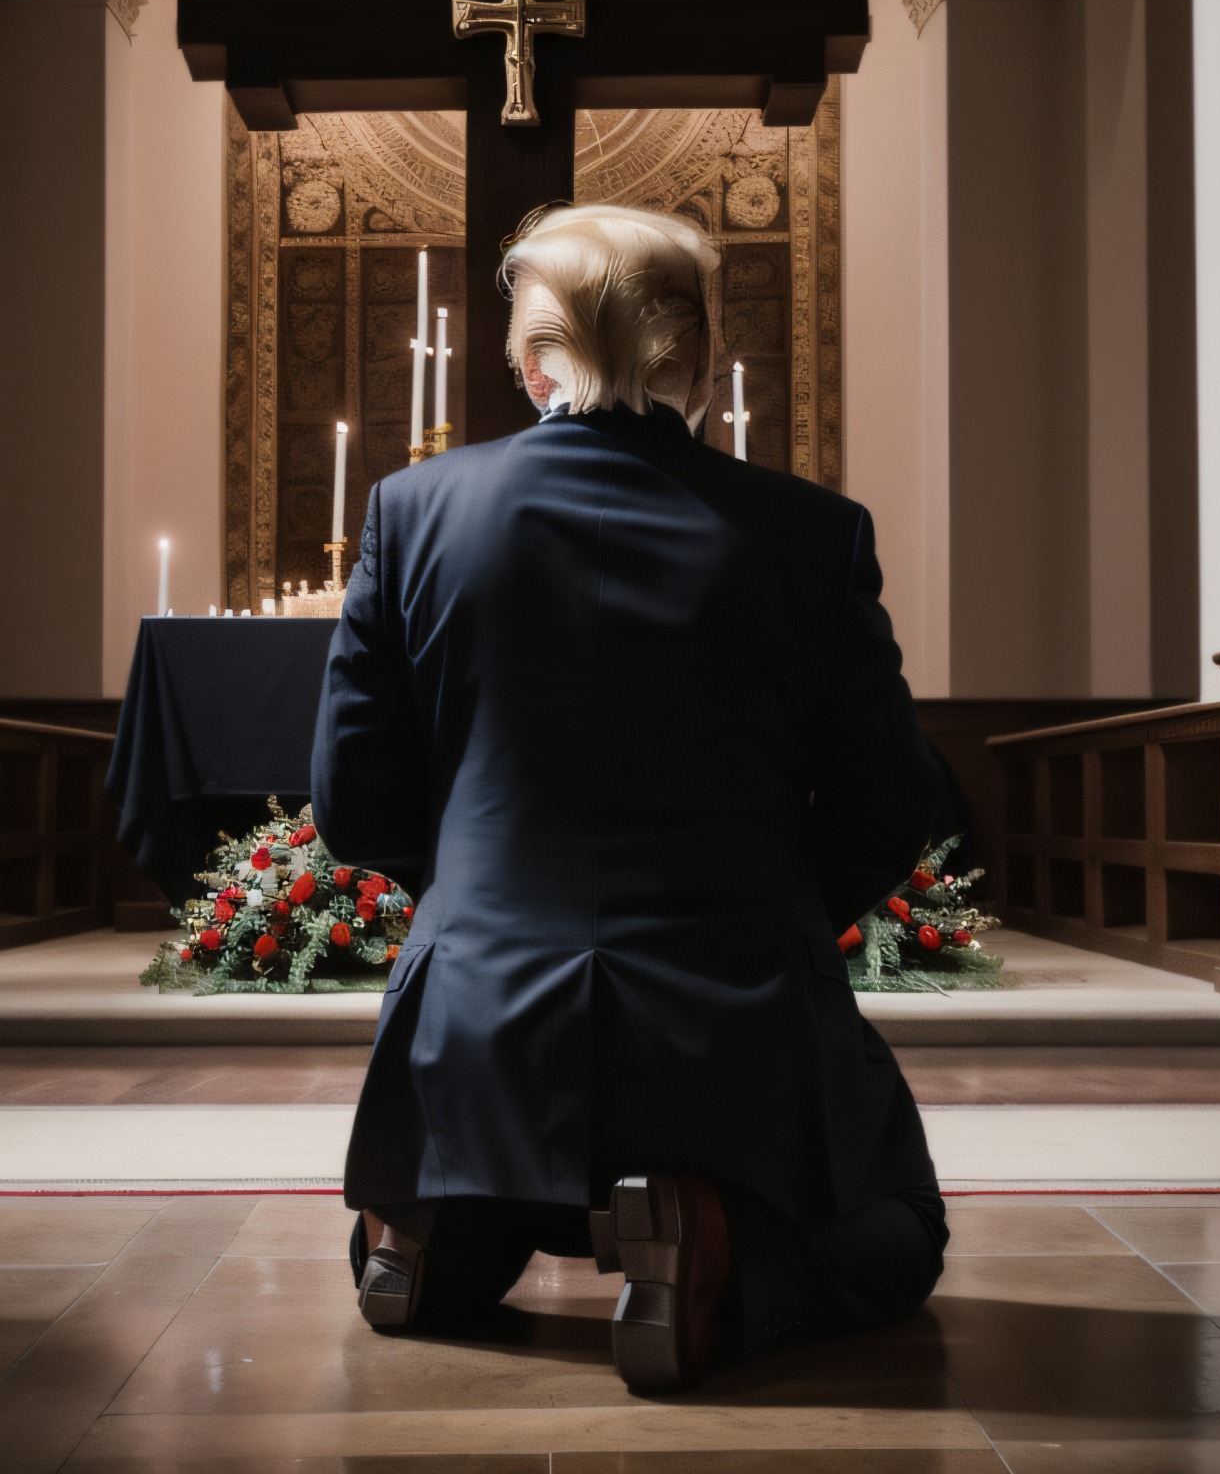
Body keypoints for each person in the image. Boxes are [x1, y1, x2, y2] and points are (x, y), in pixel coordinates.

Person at [310, 201, 951, 1393]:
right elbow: (888, 797)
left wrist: (480, 898)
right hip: (729, 1017)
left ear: (526, 355)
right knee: (898, 1229)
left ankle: (426, 1238)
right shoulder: (810, 535)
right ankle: (706, 1241)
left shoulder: (412, 515)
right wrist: (772, 910)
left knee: (482, 1190)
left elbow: (352, 796)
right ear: (698, 354)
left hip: (479, 1021)